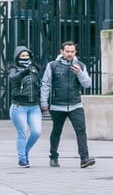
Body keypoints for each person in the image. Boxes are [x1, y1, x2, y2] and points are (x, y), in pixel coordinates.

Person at [40, 40, 95, 168]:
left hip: (75, 104)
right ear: (62, 51)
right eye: (67, 51)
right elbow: (45, 84)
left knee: (81, 130)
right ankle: (53, 157)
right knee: (57, 131)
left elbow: (87, 84)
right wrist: (44, 102)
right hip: (57, 105)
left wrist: (79, 73)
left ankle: (84, 158)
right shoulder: (52, 65)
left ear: (75, 52)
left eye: (72, 51)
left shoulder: (80, 65)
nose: (70, 54)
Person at [6, 45, 41, 168]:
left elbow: (39, 84)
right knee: (22, 133)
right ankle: (22, 160)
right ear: (17, 57)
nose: (25, 58)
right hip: (18, 107)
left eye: (27, 55)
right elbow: (12, 79)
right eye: (22, 55)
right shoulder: (13, 68)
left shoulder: (35, 68)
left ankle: (24, 152)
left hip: (34, 106)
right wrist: (24, 72)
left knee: (36, 132)